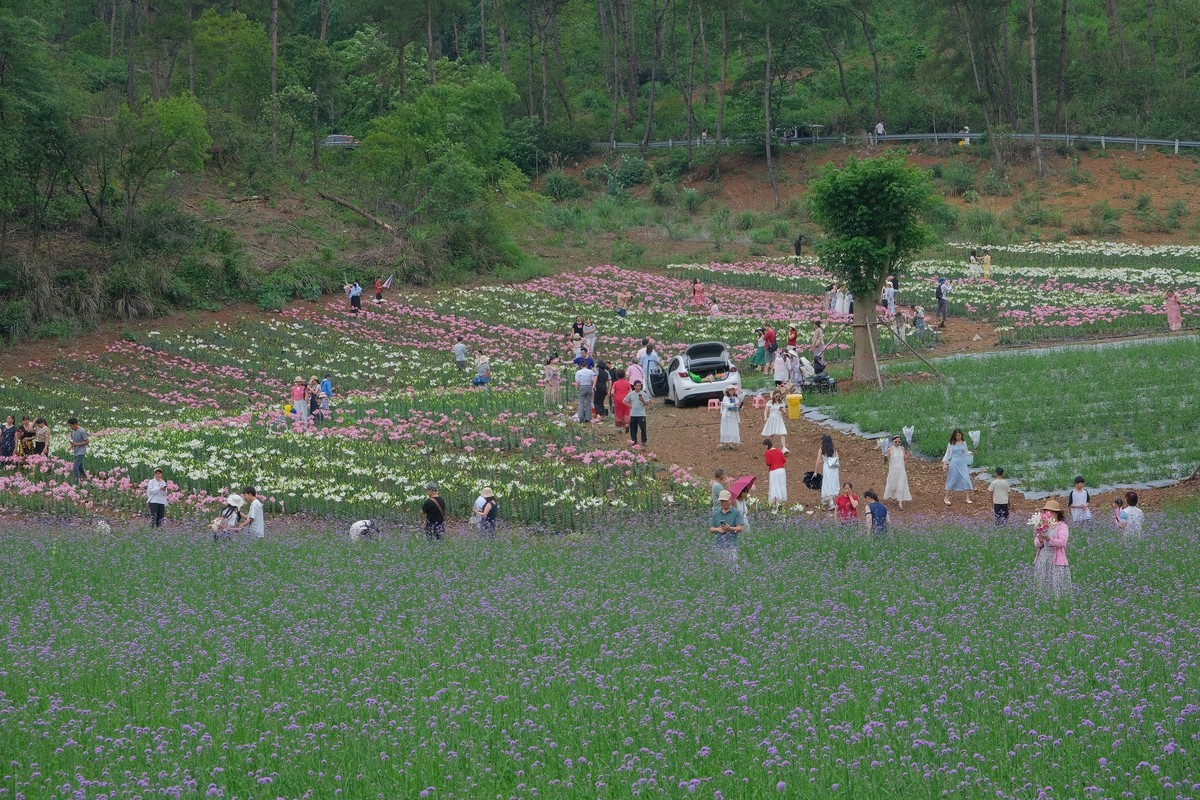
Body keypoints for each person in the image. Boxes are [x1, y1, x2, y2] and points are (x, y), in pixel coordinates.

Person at [1033, 499, 1071, 597]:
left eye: (1051, 511)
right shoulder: (1043, 525)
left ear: (1057, 513)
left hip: (1056, 560)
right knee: (1042, 585)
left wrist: (1049, 538)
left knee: (1056, 586)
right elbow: (1037, 543)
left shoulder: (1062, 526)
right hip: (1043, 558)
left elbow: (1062, 542)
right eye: (1046, 511)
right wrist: (1040, 539)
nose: (1048, 513)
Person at [709, 489, 745, 561]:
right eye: (722, 501)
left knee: (732, 567)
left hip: (731, 545)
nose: (724, 503)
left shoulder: (736, 513)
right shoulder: (716, 513)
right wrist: (718, 529)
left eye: (725, 501)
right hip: (718, 545)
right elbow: (711, 529)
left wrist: (730, 528)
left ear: (730, 500)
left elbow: (740, 528)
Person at [942, 428, 974, 506]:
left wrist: (971, 453)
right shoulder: (951, 443)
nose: (958, 437)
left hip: (962, 462)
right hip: (954, 462)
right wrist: (945, 463)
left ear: (961, 435)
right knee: (952, 478)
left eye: (959, 435)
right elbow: (948, 453)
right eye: (956, 436)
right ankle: (946, 497)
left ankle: (967, 497)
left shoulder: (964, 442)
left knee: (966, 478)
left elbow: (966, 452)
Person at [883, 435, 911, 509]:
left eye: (899, 441)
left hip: (901, 470)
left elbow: (904, 458)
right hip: (893, 470)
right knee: (893, 484)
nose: (897, 443)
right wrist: (884, 456)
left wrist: (908, 455)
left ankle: (900, 502)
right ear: (893, 442)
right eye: (896, 441)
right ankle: (893, 496)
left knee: (901, 484)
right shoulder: (890, 449)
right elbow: (888, 460)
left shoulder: (902, 448)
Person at [624, 379, 652, 447]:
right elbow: (624, 401)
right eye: (637, 386)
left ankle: (644, 441)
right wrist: (630, 406)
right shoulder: (631, 394)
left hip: (641, 414)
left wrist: (642, 400)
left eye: (639, 386)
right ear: (634, 386)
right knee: (633, 429)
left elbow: (647, 404)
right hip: (633, 414)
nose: (638, 387)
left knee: (643, 428)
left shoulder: (644, 394)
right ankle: (634, 441)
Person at [761, 389, 788, 453]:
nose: (777, 398)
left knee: (782, 433)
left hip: (779, 419)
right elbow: (766, 410)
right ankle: (770, 447)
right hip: (772, 418)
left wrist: (781, 409)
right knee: (771, 434)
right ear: (773, 396)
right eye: (776, 396)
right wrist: (765, 416)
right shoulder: (770, 402)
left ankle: (784, 448)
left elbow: (784, 412)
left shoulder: (781, 402)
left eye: (779, 396)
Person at [817, 434, 840, 510]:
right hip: (834, 468)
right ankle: (829, 500)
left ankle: (830, 501)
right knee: (833, 482)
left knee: (827, 482)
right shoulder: (834, 449)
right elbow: (837, 458)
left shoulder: (821, 449)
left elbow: (819, 461)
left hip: (827, 467)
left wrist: (815, 470)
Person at [764, 437, 787, 508]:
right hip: (781, 470)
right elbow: (784, 459)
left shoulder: (767, 452)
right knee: (781, 484)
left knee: (774, 485)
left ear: (767, 445)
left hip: (773, 470)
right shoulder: (779, 450)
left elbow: (769, 462)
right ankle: (782, 499)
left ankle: (775, 500)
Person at [67, 418, 89, 483]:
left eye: (71, 425)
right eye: (69, 426)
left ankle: (76, 481)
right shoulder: (73, 431)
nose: (70, 427)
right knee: (80, 467)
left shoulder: (82, 431)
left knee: (75, 466)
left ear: (75, 424)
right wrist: (71, 446)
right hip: (76, 451)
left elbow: (87, 441)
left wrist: (77, 444)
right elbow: (74, 442)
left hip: (81, 451)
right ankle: (85, 477)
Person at [611, 369, 631, 433]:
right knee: (626, 412)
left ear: (617, 376)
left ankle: (620, 428)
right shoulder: (627, 383)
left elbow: (612, 392)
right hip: (626, 399)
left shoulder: (615, 383)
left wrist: (614, 396)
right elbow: (630, 391)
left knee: (618, 412)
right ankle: (627, 424)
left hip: (618, 399)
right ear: (624, 375)